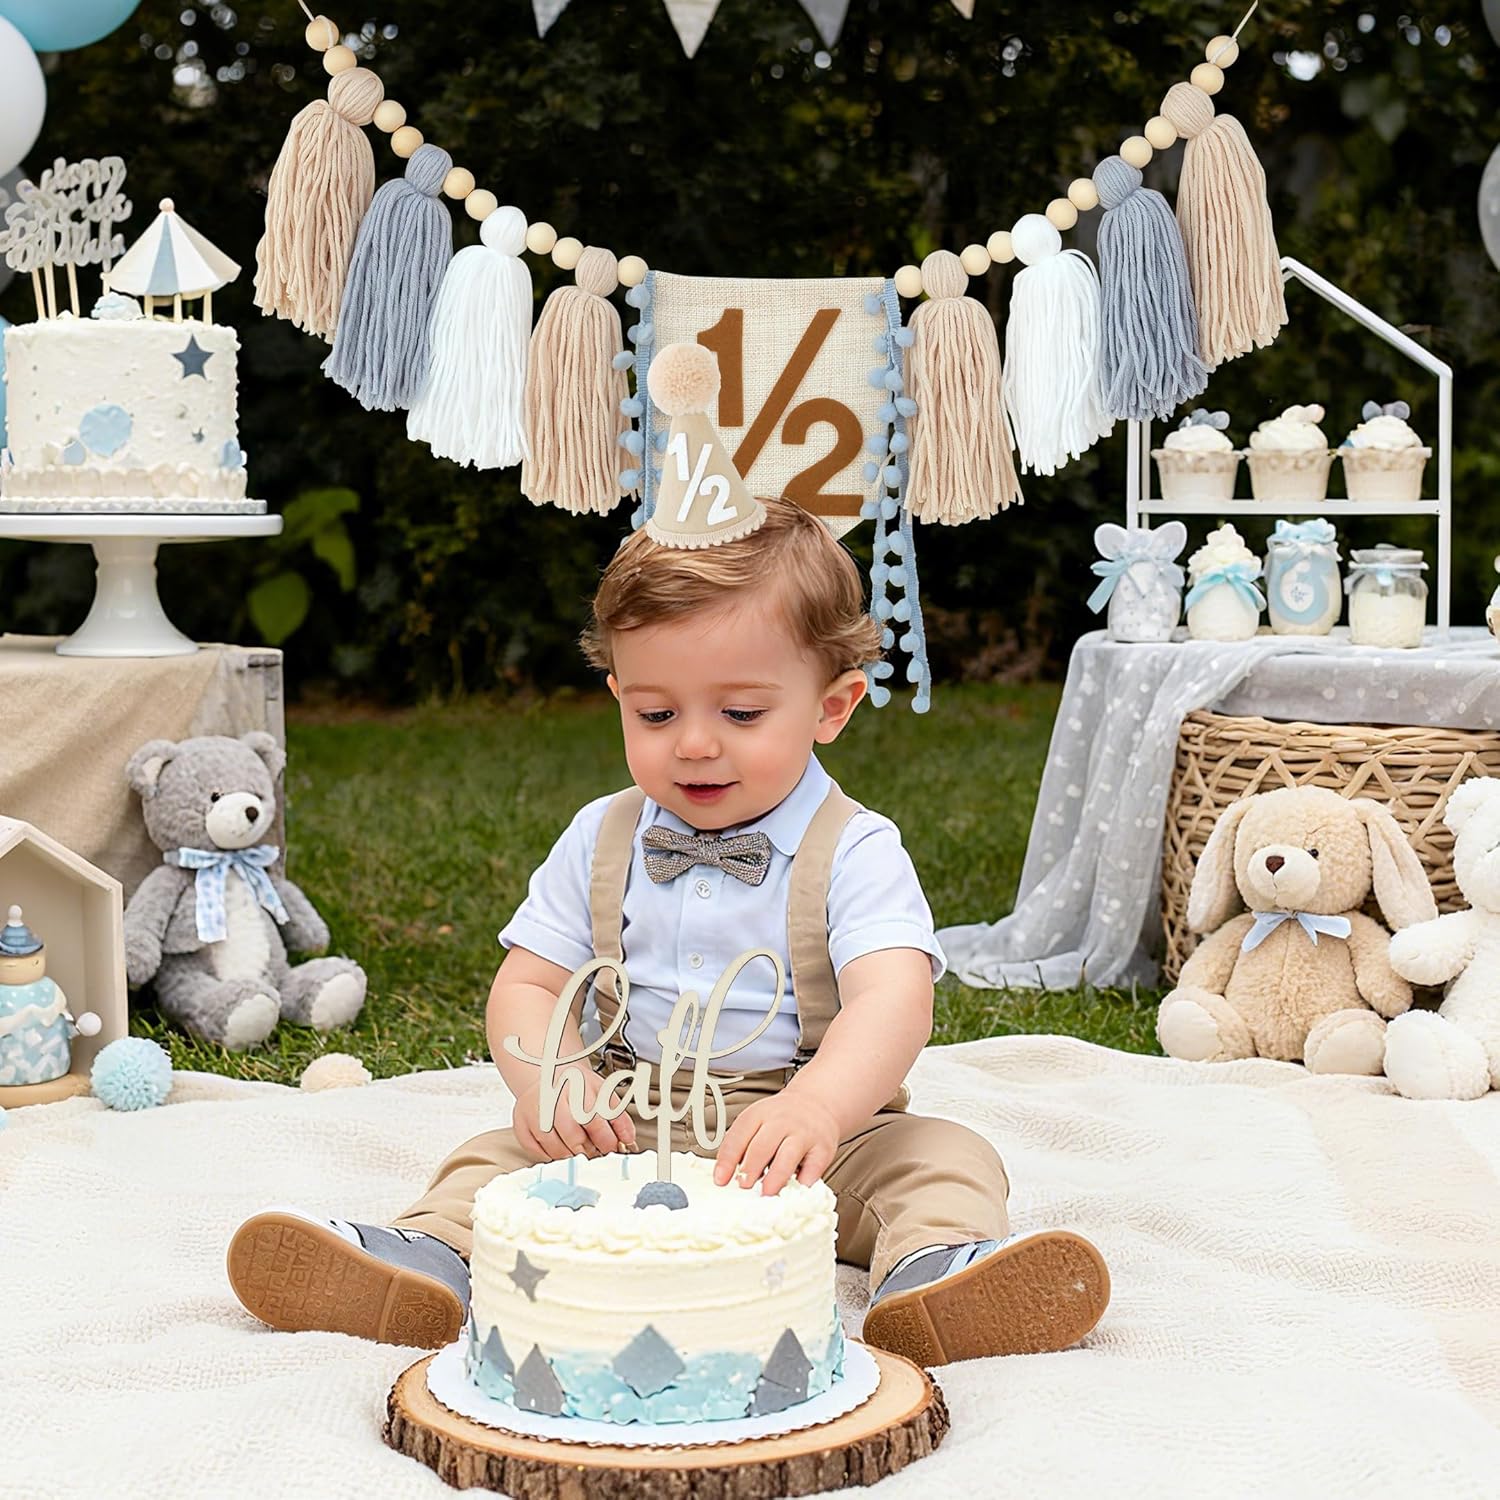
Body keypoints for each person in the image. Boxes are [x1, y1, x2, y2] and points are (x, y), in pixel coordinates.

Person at [227, 344, 1109, 1369]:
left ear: (833, 707)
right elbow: (528, 983)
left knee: (946, 1158)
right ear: (619, 699)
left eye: (740, 711)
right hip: (619, 1109)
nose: (694, 742)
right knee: (491, 1159)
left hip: (799, 1131)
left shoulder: (855, 850)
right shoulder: (602, 836)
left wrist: (819, 1106)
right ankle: (426, 1263)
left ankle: (938, 1276)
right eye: (656, 711)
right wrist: (549, 1079)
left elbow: (891, 1002)